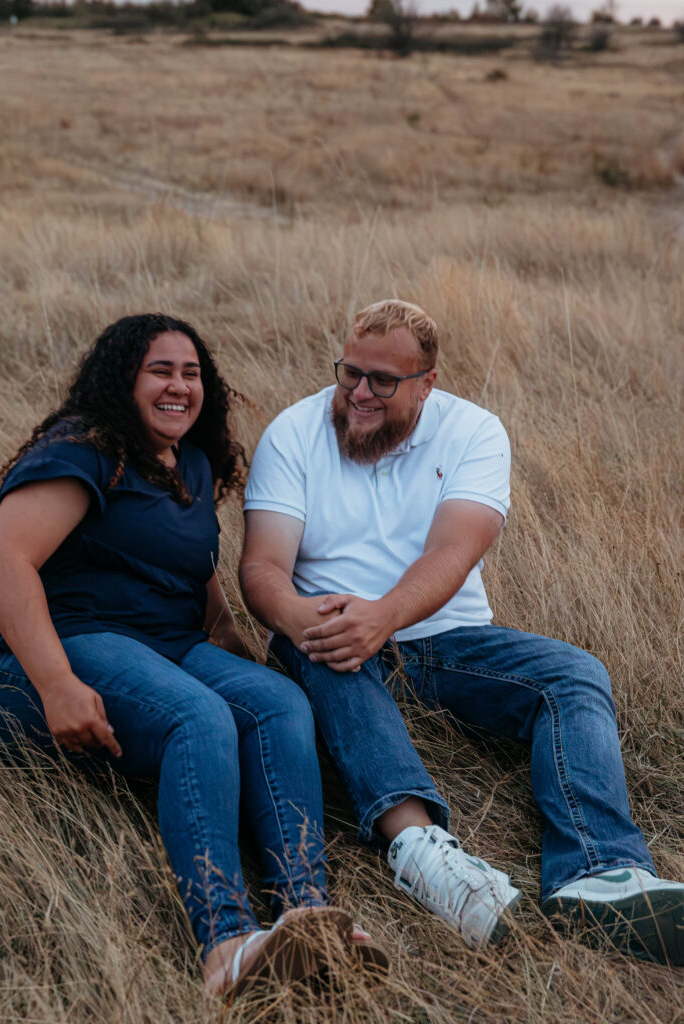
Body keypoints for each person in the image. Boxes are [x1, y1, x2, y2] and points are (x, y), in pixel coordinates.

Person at [239, 299, 684, 966]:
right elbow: (262, 566)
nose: (359, 393)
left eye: (382, 382)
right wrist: (303, 617)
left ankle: (598, 874)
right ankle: (424, 853)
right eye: (349, 373)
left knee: (573, 674)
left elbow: (453, 553)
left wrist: (382, 616)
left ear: (427, 382)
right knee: (327, 641)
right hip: (327, 637)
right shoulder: (293, 432)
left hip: (444, 639)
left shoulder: (474, 432)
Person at [0, 313, 384, 998]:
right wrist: (56, 682)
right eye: (161, 370)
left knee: (276, 702)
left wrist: (235, 647)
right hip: (48, 659)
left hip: (166, 646)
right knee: (199, 716)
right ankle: (225, 944)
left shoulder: (189, 461)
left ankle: (306, 914)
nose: (179, 386)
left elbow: (195, 573)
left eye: (191, 373)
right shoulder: (86, 448)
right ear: (123, 378)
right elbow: (3, 556)